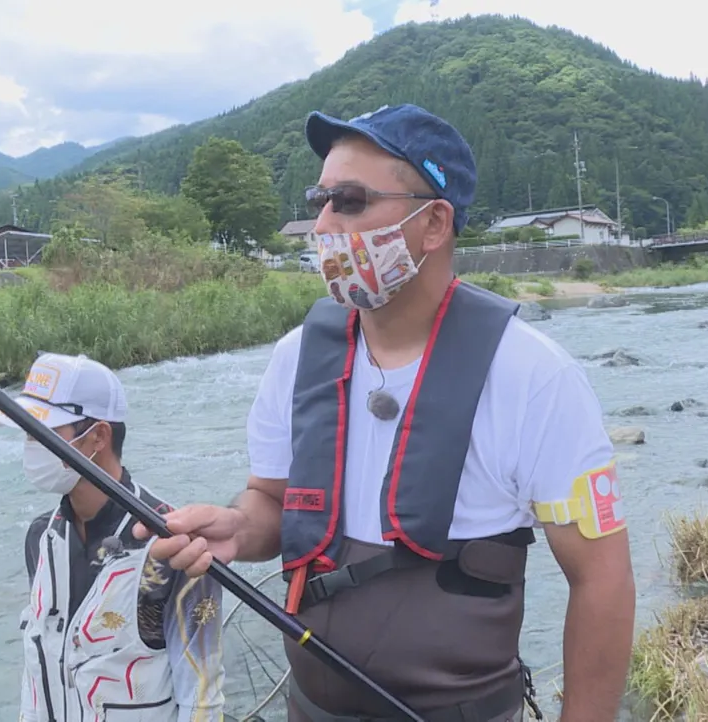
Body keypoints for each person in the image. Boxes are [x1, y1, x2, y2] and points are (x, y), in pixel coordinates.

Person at [133, 104, 636, 722]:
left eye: (349, 201)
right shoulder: (296, 358)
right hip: (310, 708)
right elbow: (270, 500)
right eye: (321, 199)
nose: (321, 224)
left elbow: (602, 578)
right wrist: (236, 529)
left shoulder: (533, 375)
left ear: (434, 224)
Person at [0, 352, 226, 722]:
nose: (30, 446)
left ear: (98, 436)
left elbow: (202, 696)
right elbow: (36, 672)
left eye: (42, 433)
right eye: (27, 434)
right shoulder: (41, 539)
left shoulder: (175, 545)